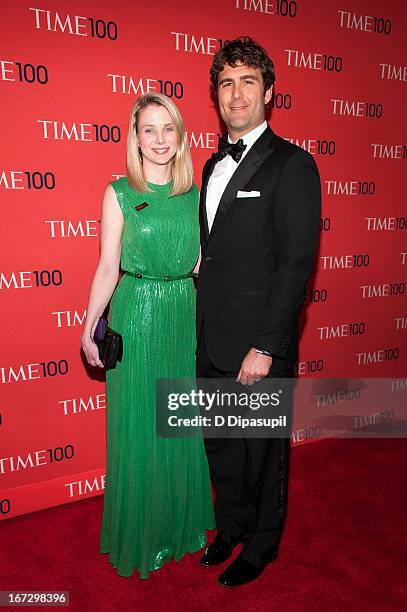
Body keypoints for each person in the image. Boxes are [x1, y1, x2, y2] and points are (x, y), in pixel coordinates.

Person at [196, 37, 321, 587]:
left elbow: (296, 265)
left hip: (258, 345)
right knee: (222, 446)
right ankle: (231, 526)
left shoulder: (292, 165)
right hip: (211, 336)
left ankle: (263, 544)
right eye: (227, 83)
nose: (237, 93)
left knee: (262, 452)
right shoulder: (208, 167)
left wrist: (267, 345)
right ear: (217, 96)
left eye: (248, 81)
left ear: (269, 92)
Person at [81, 92, 215, 579]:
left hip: (183, 312)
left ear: (180, 137)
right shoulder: (118, 193)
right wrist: (89, 325)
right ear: (135, 139)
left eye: (168, 129)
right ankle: (142, 532)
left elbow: (203, 264)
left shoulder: (196, 195)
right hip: (135, 315)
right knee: (141, 424)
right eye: (148, 130)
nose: (159, 139)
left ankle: (179, 527)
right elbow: (106, 267)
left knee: (178, 422)